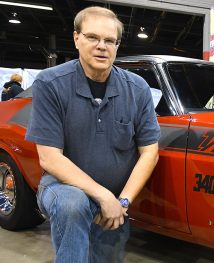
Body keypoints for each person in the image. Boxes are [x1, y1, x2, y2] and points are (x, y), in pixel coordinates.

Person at [25, 6, 160, 263]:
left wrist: (122, 201)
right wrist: (102, 195)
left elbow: (149, 152)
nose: (102, 46)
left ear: (117, 45)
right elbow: (50, 159)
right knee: (73, 203)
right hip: (62, 187)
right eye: (92, 37)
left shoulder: (137, 89)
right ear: (76, 38)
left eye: (110, 40)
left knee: (106, 257)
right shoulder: (50, 83)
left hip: (115, 198)